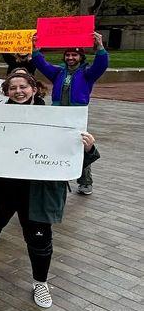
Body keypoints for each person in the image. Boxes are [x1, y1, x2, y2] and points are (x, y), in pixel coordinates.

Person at [0, 70, 99, 308]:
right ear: (6, 92)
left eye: (23, 87)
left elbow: (73, 161)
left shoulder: (57, 120)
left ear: (34, 89)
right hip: (2, 188)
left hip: (38, 193)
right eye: (13, 88)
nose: (18, 92)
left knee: (39, 239)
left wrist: (88, 148)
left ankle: (41, 282)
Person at [31, 31, 109, 196]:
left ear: (80, 57)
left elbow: (101, 65)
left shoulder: (87, 74)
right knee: (56, 146)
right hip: (57, 115)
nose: (71, 57)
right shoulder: (58, 72)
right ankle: (57, 175)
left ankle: (85, 181)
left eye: (74, 54)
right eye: (68, 55)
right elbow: (42, 64)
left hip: (77, 116)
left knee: (79, 147)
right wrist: (36, 49)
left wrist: (100, 46)